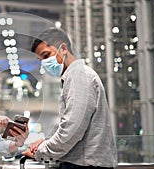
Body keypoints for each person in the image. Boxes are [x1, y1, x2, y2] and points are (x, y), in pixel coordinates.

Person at [22, 27, 117, 169]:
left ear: (64, 48)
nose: (44, 63)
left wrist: (41, 151)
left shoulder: (79, 76)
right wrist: (45, 142)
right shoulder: (74, 77)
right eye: (40, 59)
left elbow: (72, 131)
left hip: (85, 164)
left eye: (46, 55)